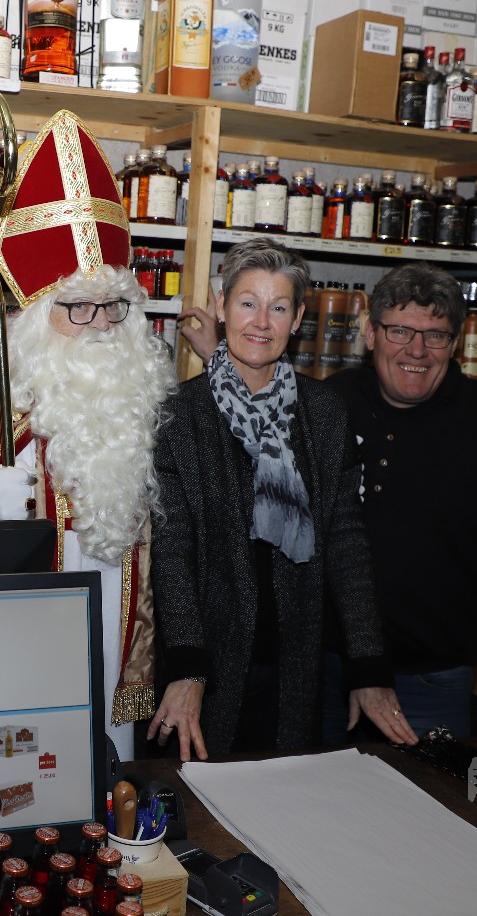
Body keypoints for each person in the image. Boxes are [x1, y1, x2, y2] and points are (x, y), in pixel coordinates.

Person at [0, 110, 178, 761]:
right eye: (78, 306)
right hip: (3, 663)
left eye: (115, 305)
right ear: (36, 312)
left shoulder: (140, 400)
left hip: (109, 658)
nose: (101, 324)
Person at [148, 239, 413, 759]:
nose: (260, 322)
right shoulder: (180, 414)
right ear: (221, 308)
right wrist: (187, 666)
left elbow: (346, 542)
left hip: (294, 661)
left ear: (298, 320)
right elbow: (173, 548)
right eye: (247, 303)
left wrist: (367, 666)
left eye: (278, 307)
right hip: (206, 661)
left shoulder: (324, 413)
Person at [322, 263, 477, 738]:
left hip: (431, 679)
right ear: (370, 333)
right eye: (399, 331)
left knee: (428, 790)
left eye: (435, 335)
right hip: (327, 670)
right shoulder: (331, 403)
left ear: (454, 344)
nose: (417, 350)